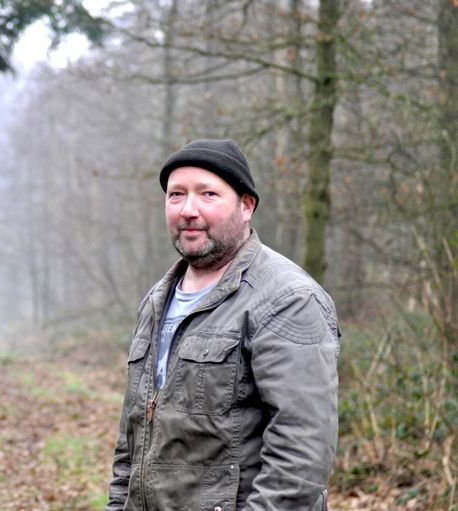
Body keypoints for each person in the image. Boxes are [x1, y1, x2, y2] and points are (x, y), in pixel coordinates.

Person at [106, 139, 340, 511]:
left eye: (208, 194)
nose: (188, 210)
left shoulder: (288, 299)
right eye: (176, 195)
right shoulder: (156, 300)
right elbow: (133, 440)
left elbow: (301, 454)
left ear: (246, 206)